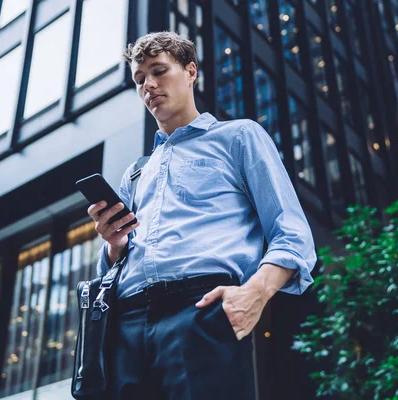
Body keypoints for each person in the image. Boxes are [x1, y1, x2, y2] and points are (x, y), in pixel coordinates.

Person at [86, 31, 317, 400]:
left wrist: (255, 292)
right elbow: (111, 270)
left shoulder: (239, 137)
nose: (149, 85)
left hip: (200, 310)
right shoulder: (135, 173)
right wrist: (113, 246)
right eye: (140, 79)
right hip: (126, 325)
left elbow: (292, 234)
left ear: (190, 71)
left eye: (159, 71)